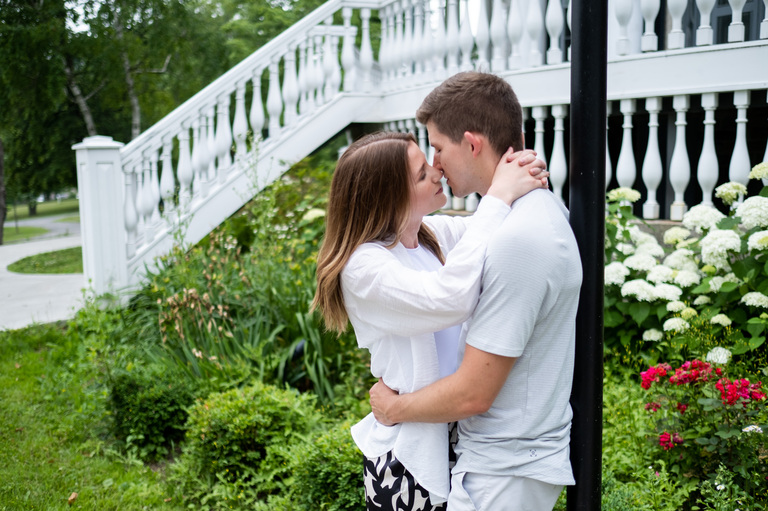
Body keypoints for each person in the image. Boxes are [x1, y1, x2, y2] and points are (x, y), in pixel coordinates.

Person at [369, 71, 583, 511]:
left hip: (506, 470)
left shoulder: (518, 239)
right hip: (503, 462)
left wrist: (394, 409)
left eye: (438, 148)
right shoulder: (524, 213)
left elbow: (474, 393)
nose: (436, 164)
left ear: (471, 144)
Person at [312, 129, 549, 510]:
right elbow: (449, 299)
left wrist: (519, 171)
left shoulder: (430, 236)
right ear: (389, 197)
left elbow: (491, 231)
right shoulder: (364, 268)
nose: (437, 171)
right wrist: (499, 194)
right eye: (422, 174)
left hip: (457, 434)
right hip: (409, 462)